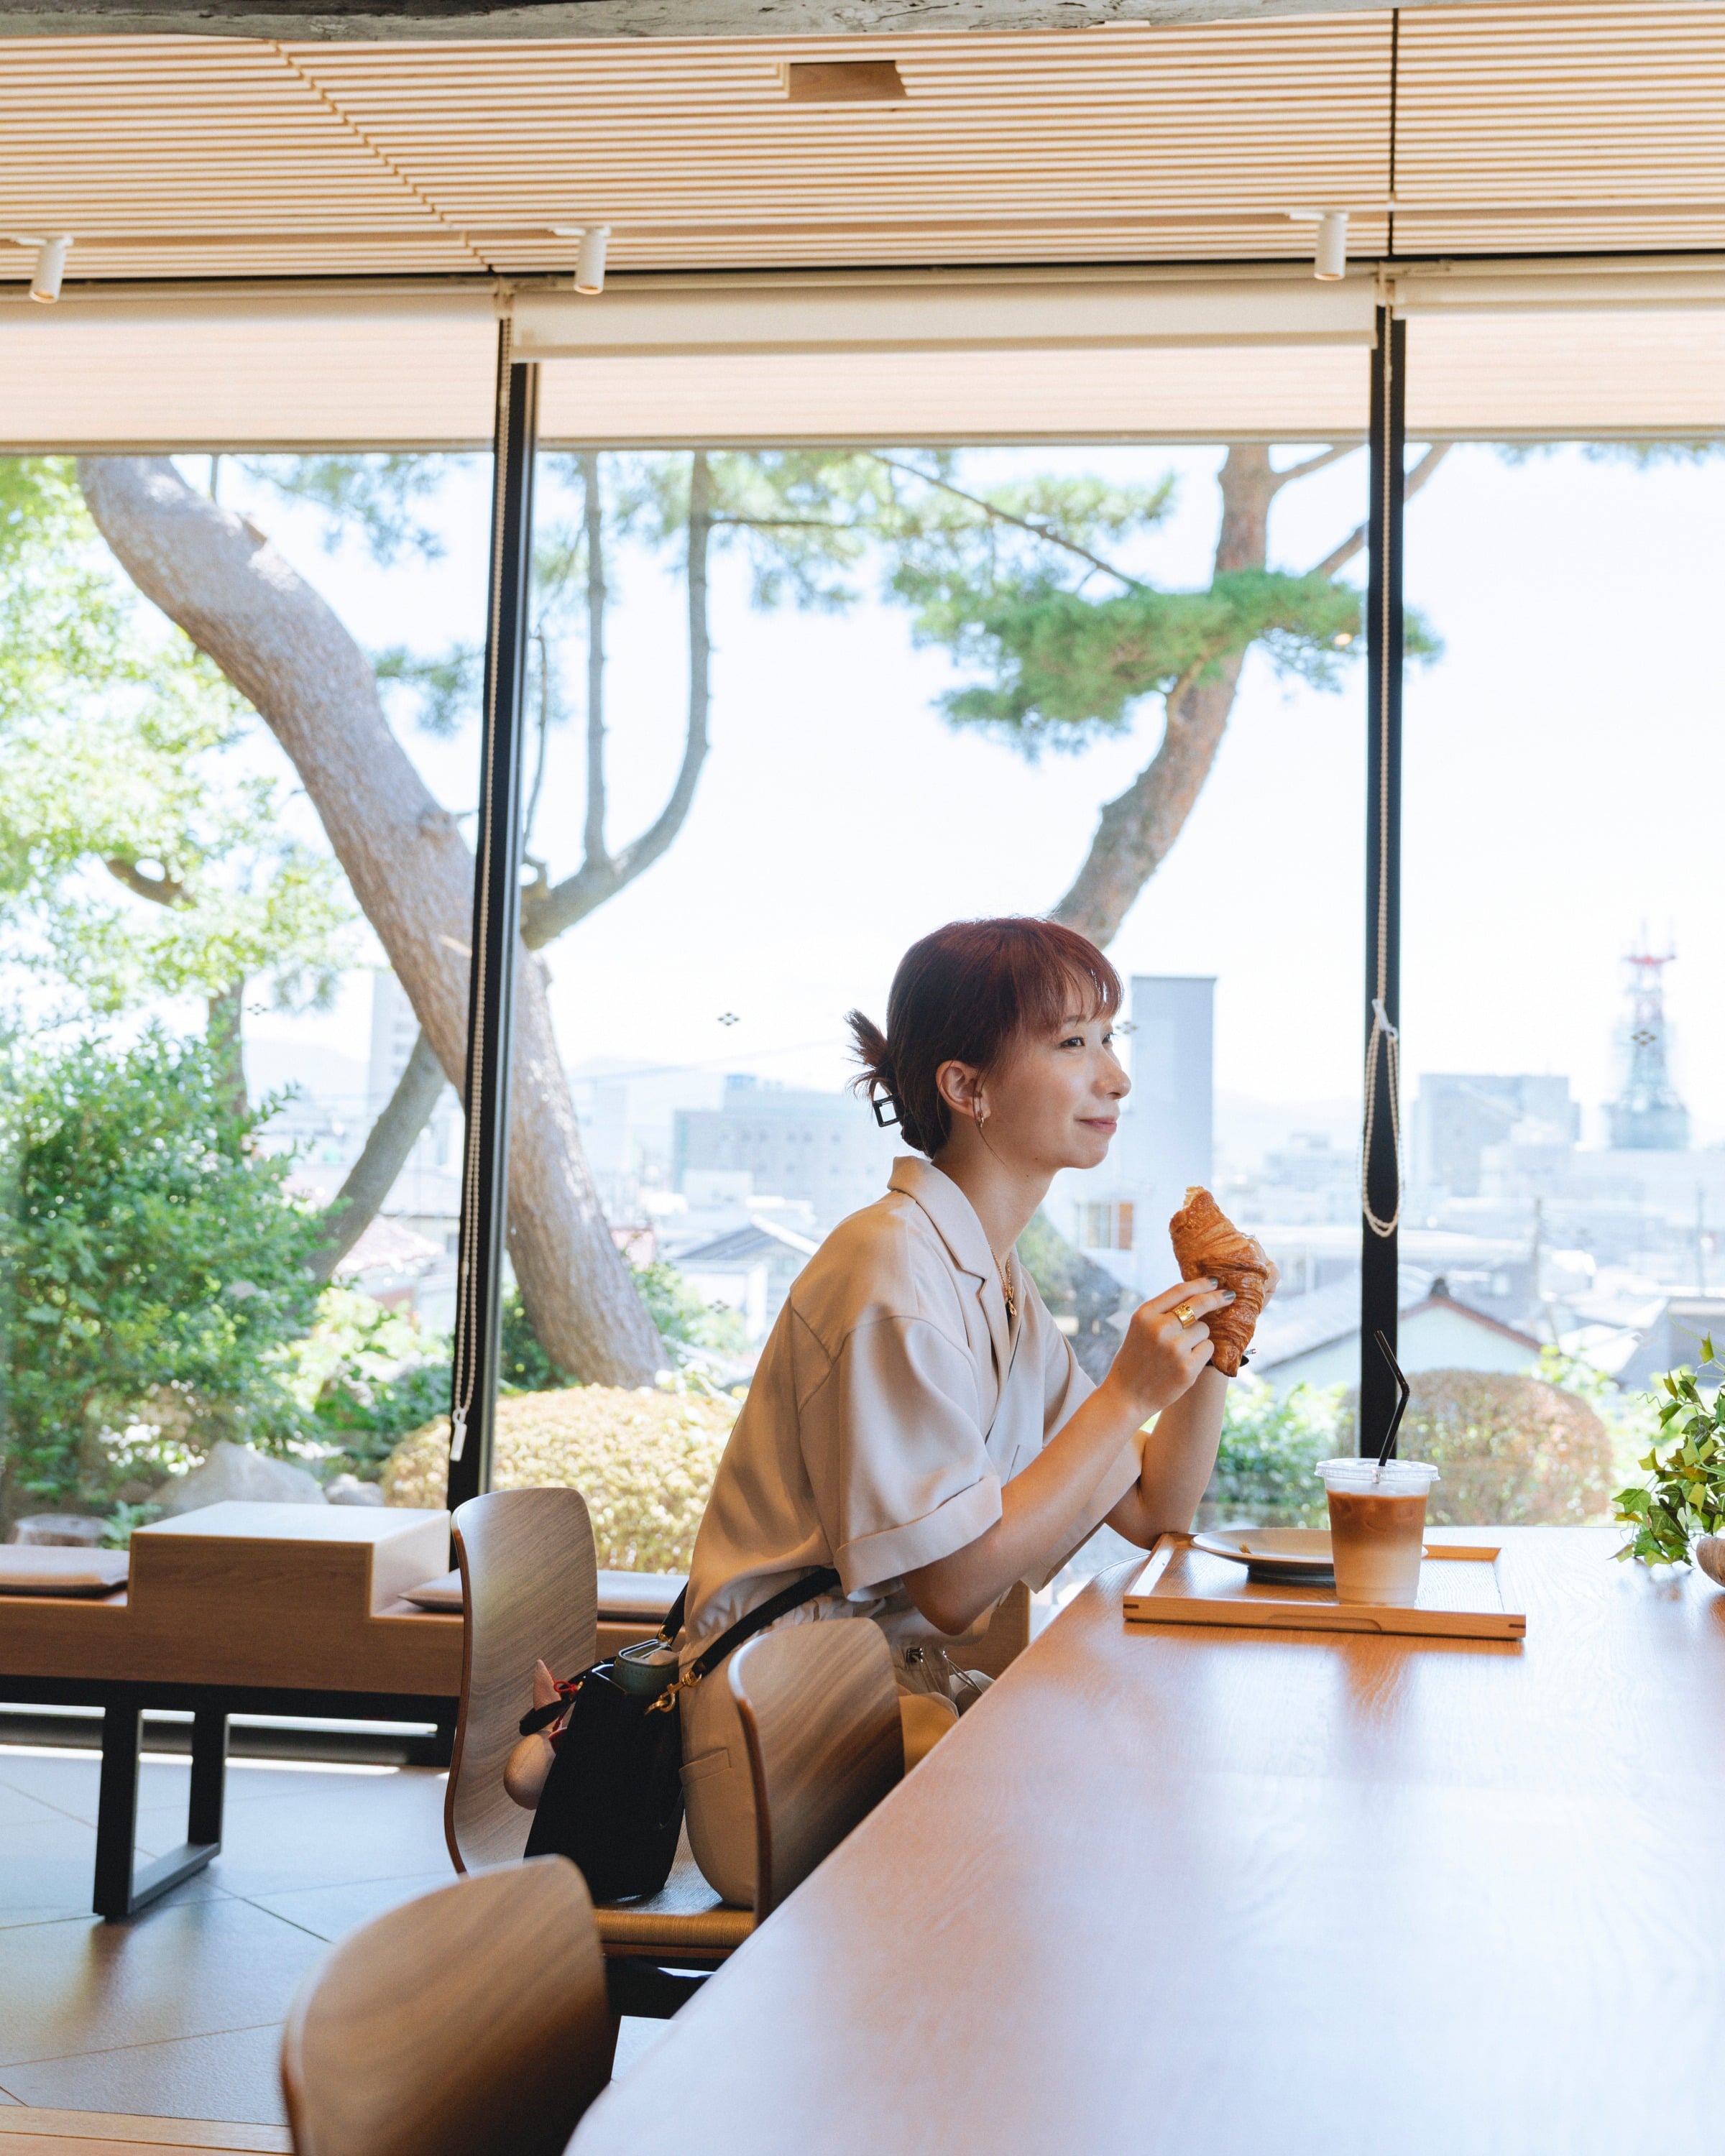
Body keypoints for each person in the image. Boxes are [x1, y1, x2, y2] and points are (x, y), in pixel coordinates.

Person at [673, 916, 1266, 1907]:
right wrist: (1127, 1391)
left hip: (876, 1709)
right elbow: (954, 1589)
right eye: (1072, 1043)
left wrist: (1221, 1340)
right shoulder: (892, 1273)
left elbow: (1154, 1508)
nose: (1115, 1078)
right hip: (781, 1743)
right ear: (967, 1087)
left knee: (1152, 1796)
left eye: (1109, 1039)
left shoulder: (989, 1273)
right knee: (1138, 1828)